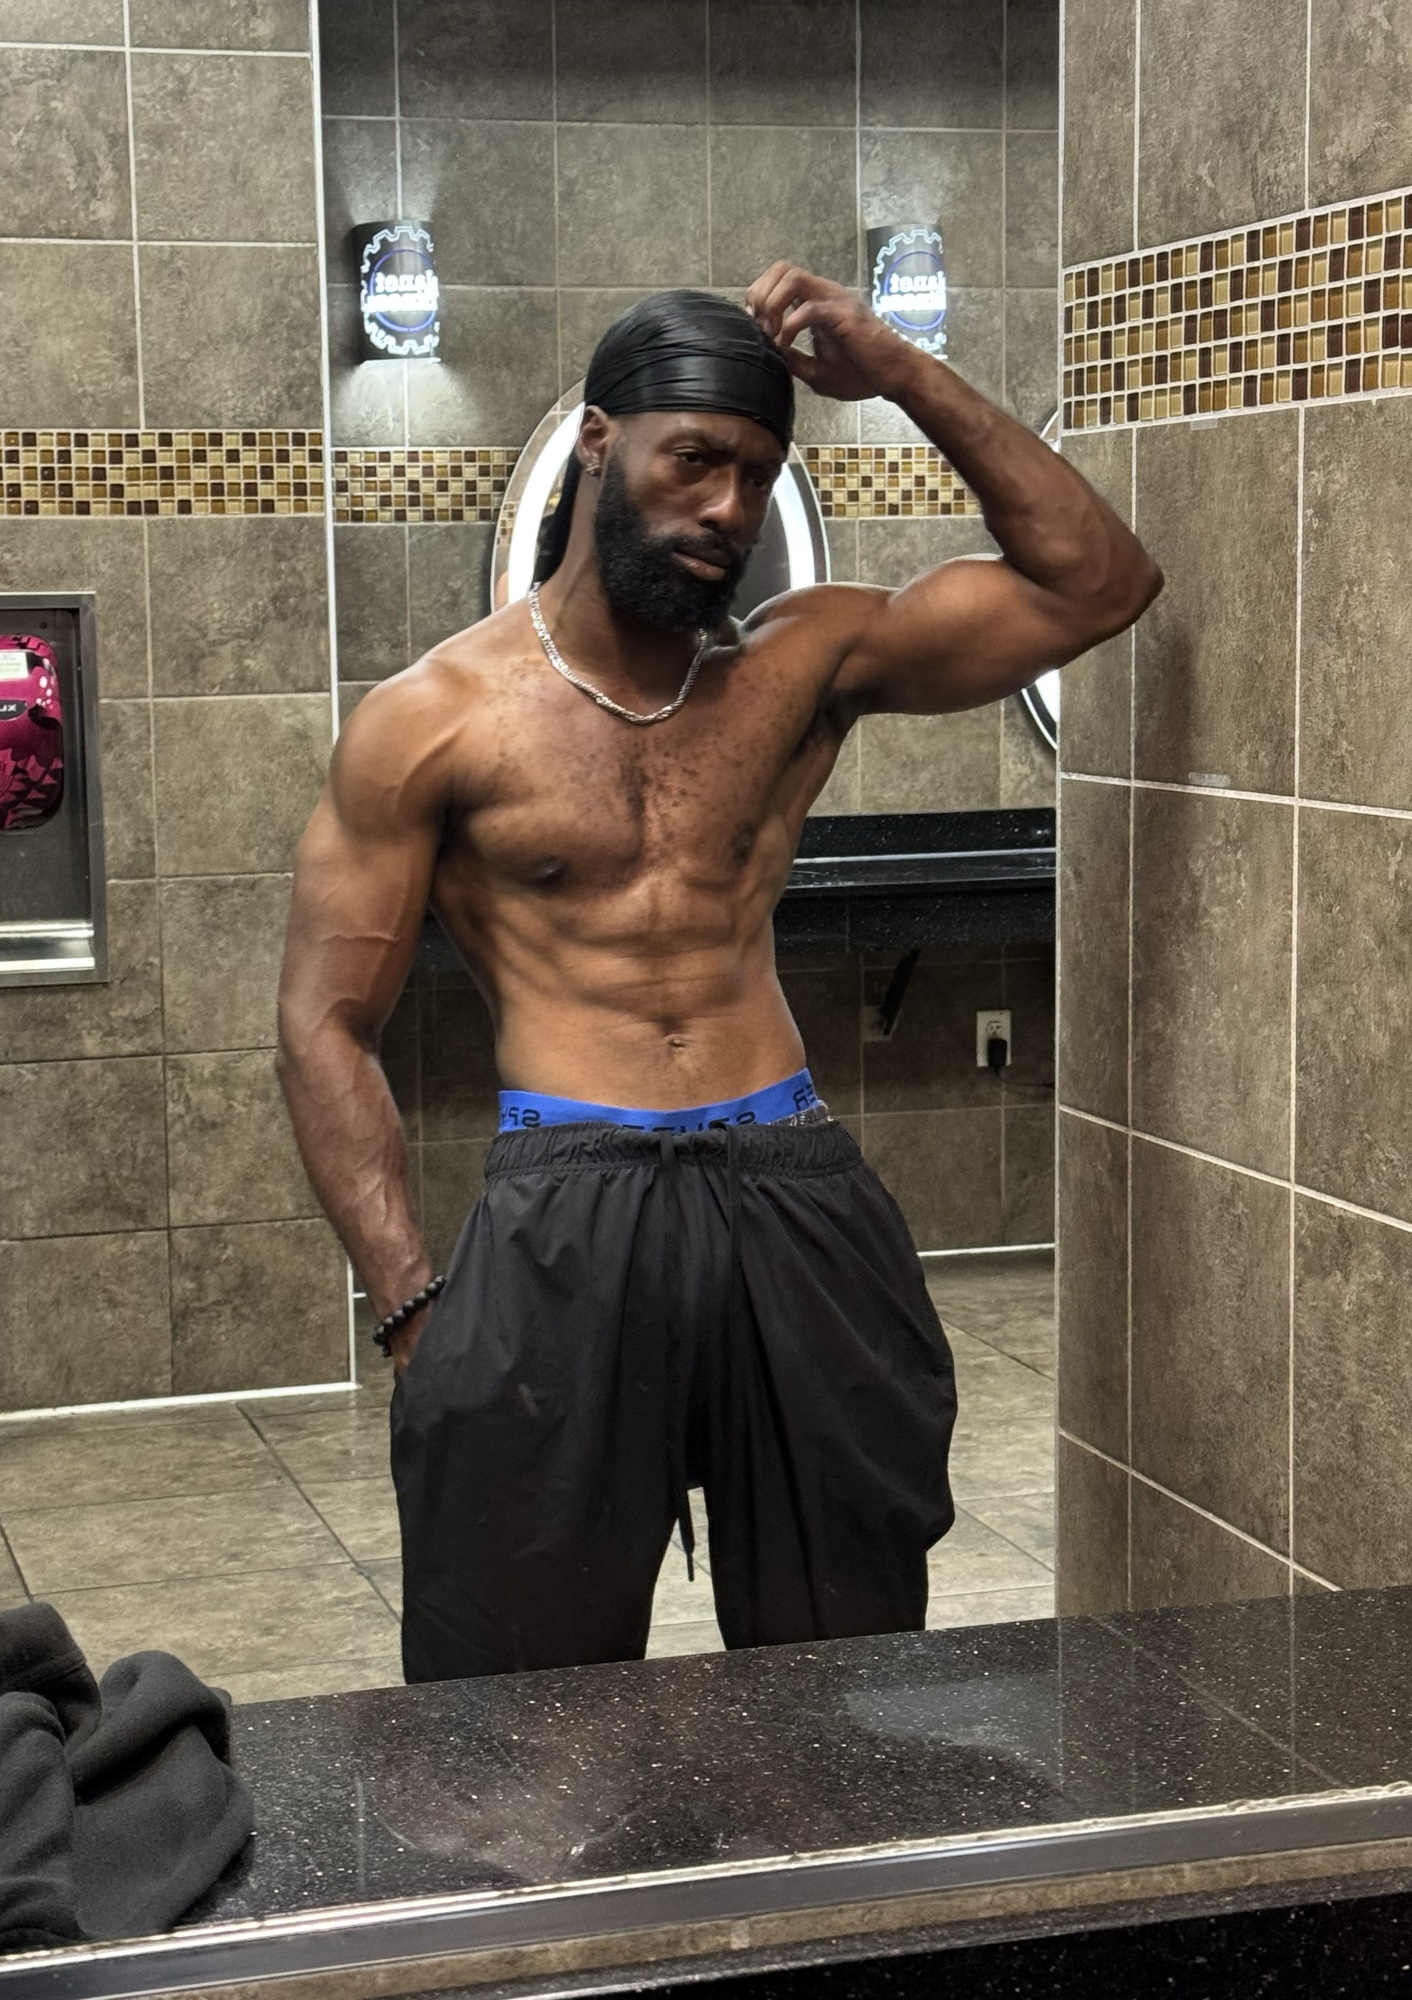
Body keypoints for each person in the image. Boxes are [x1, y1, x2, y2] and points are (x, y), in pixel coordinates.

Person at [277, 265, 1162, 1683]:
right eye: (693, 459)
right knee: (521, 1697)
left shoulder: (802, 664)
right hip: (569, 1192)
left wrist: (900, 368)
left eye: (757, 476)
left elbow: (1098, 582)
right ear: (597, 442)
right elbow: (325, 1023)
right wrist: (410, 1308)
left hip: (790, 1185)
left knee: (842, 1670)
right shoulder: (430, 720)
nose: (726, 510)